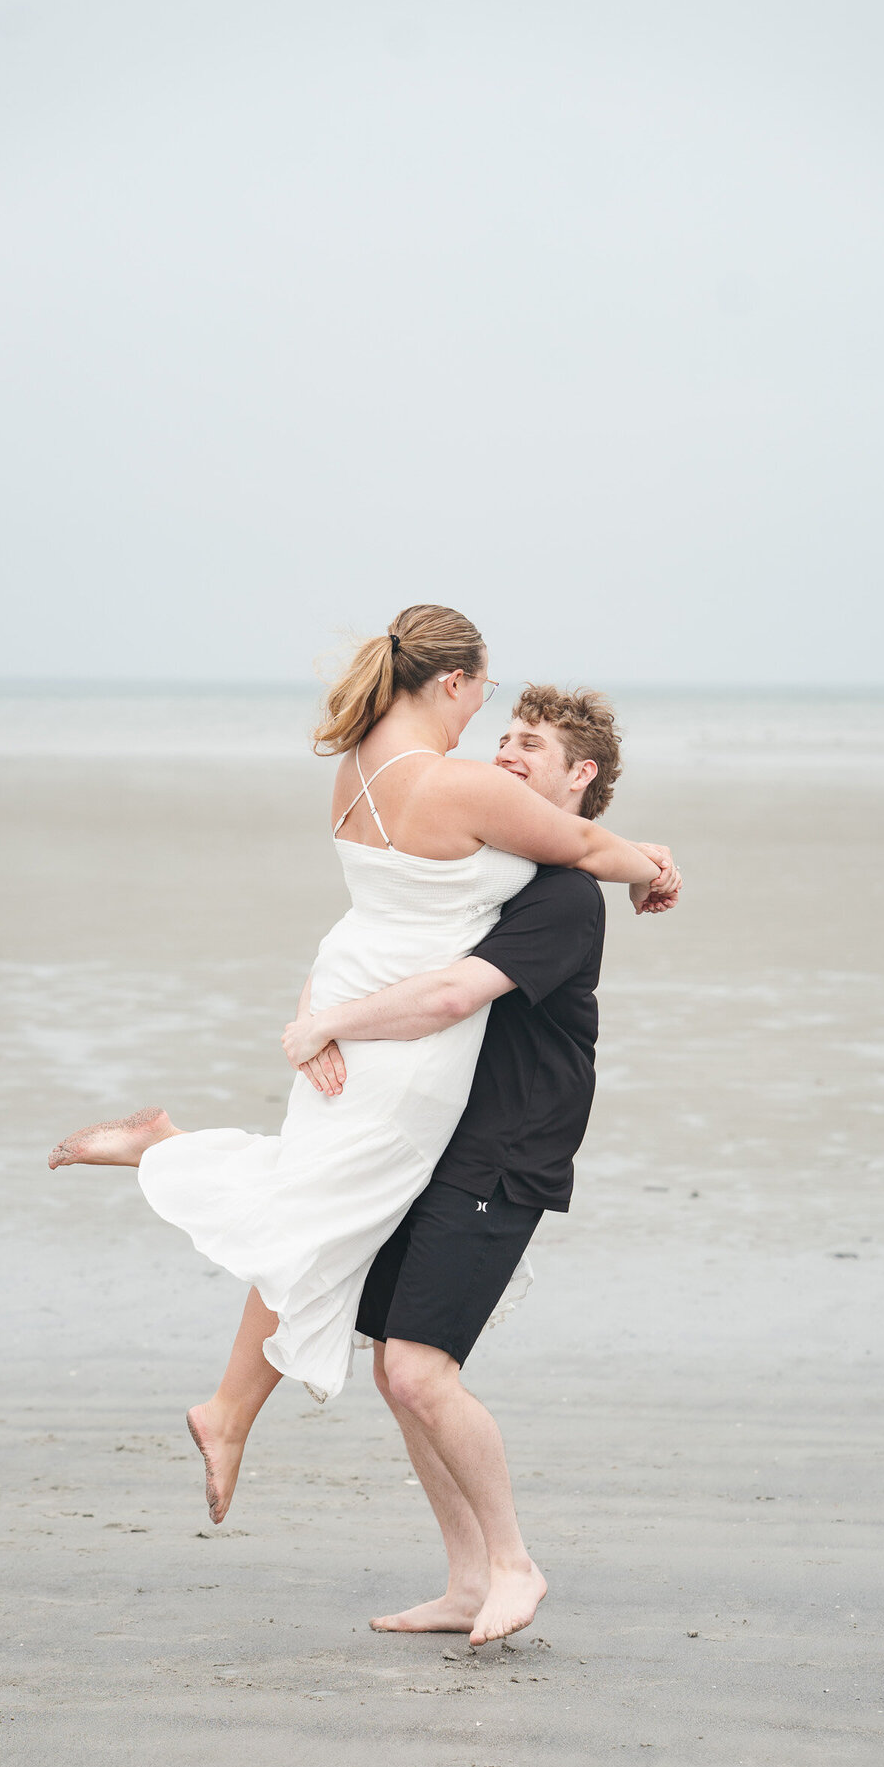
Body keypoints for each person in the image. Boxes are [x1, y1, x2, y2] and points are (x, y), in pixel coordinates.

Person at [47, 607, 676, 1527]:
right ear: (453, 684)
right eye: (488, 702)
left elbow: (379, 910)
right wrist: (656, 865)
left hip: (353, 985)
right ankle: (167, 1163)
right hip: (398, 1034)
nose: (489, 730)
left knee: (319, 1204)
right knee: (324, 1209)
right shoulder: (459, 786)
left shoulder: (355, 771)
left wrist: (318, 1007)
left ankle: (225, 1400)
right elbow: (579, 848)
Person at [277, 685, 673, 1646]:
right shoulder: (497, 862)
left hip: (506, 1147)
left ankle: (513, 1564)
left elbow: (452, 993)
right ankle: (464, 1581)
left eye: (531, 745)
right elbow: (379, 941)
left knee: (420, 1370)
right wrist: (318, 1005)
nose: (508, 752)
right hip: (433, 1139)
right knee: (395, 1367)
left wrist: (324, 1024)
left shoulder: (564, 893)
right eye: (504, 735)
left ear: (579, 777)